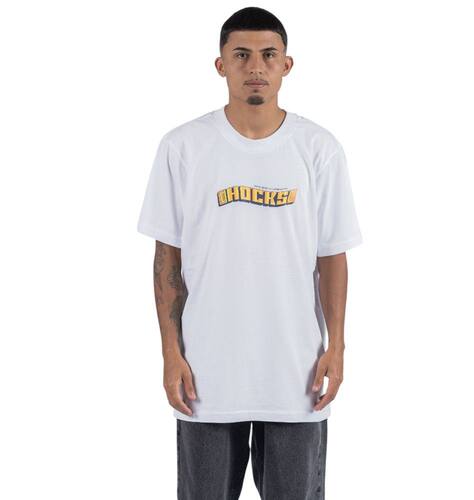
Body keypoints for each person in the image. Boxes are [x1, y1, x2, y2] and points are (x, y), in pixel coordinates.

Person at [137, 6, 362, 499]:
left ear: (287, 65)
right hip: (206, 376)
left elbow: (332, 256)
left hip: (296, 373)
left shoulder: (318, 148)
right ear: (221, 64)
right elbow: (167, 259)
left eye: (268, 55)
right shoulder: (183, 147)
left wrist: (337, 347)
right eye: (241, 55)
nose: (255, 66)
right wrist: (171, 353)